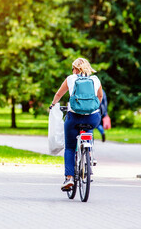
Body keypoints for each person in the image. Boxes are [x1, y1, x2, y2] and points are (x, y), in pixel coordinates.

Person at [50, 58, 103, 191]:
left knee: (70, 147)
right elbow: (100, 97)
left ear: (75, 68)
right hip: (92, 117)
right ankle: (89, 155)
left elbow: (59, 94)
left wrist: (53, 105)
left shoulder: (70, 78)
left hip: (74, 118)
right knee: (88, 130)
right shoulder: (95, 80)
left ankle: (69, 178)